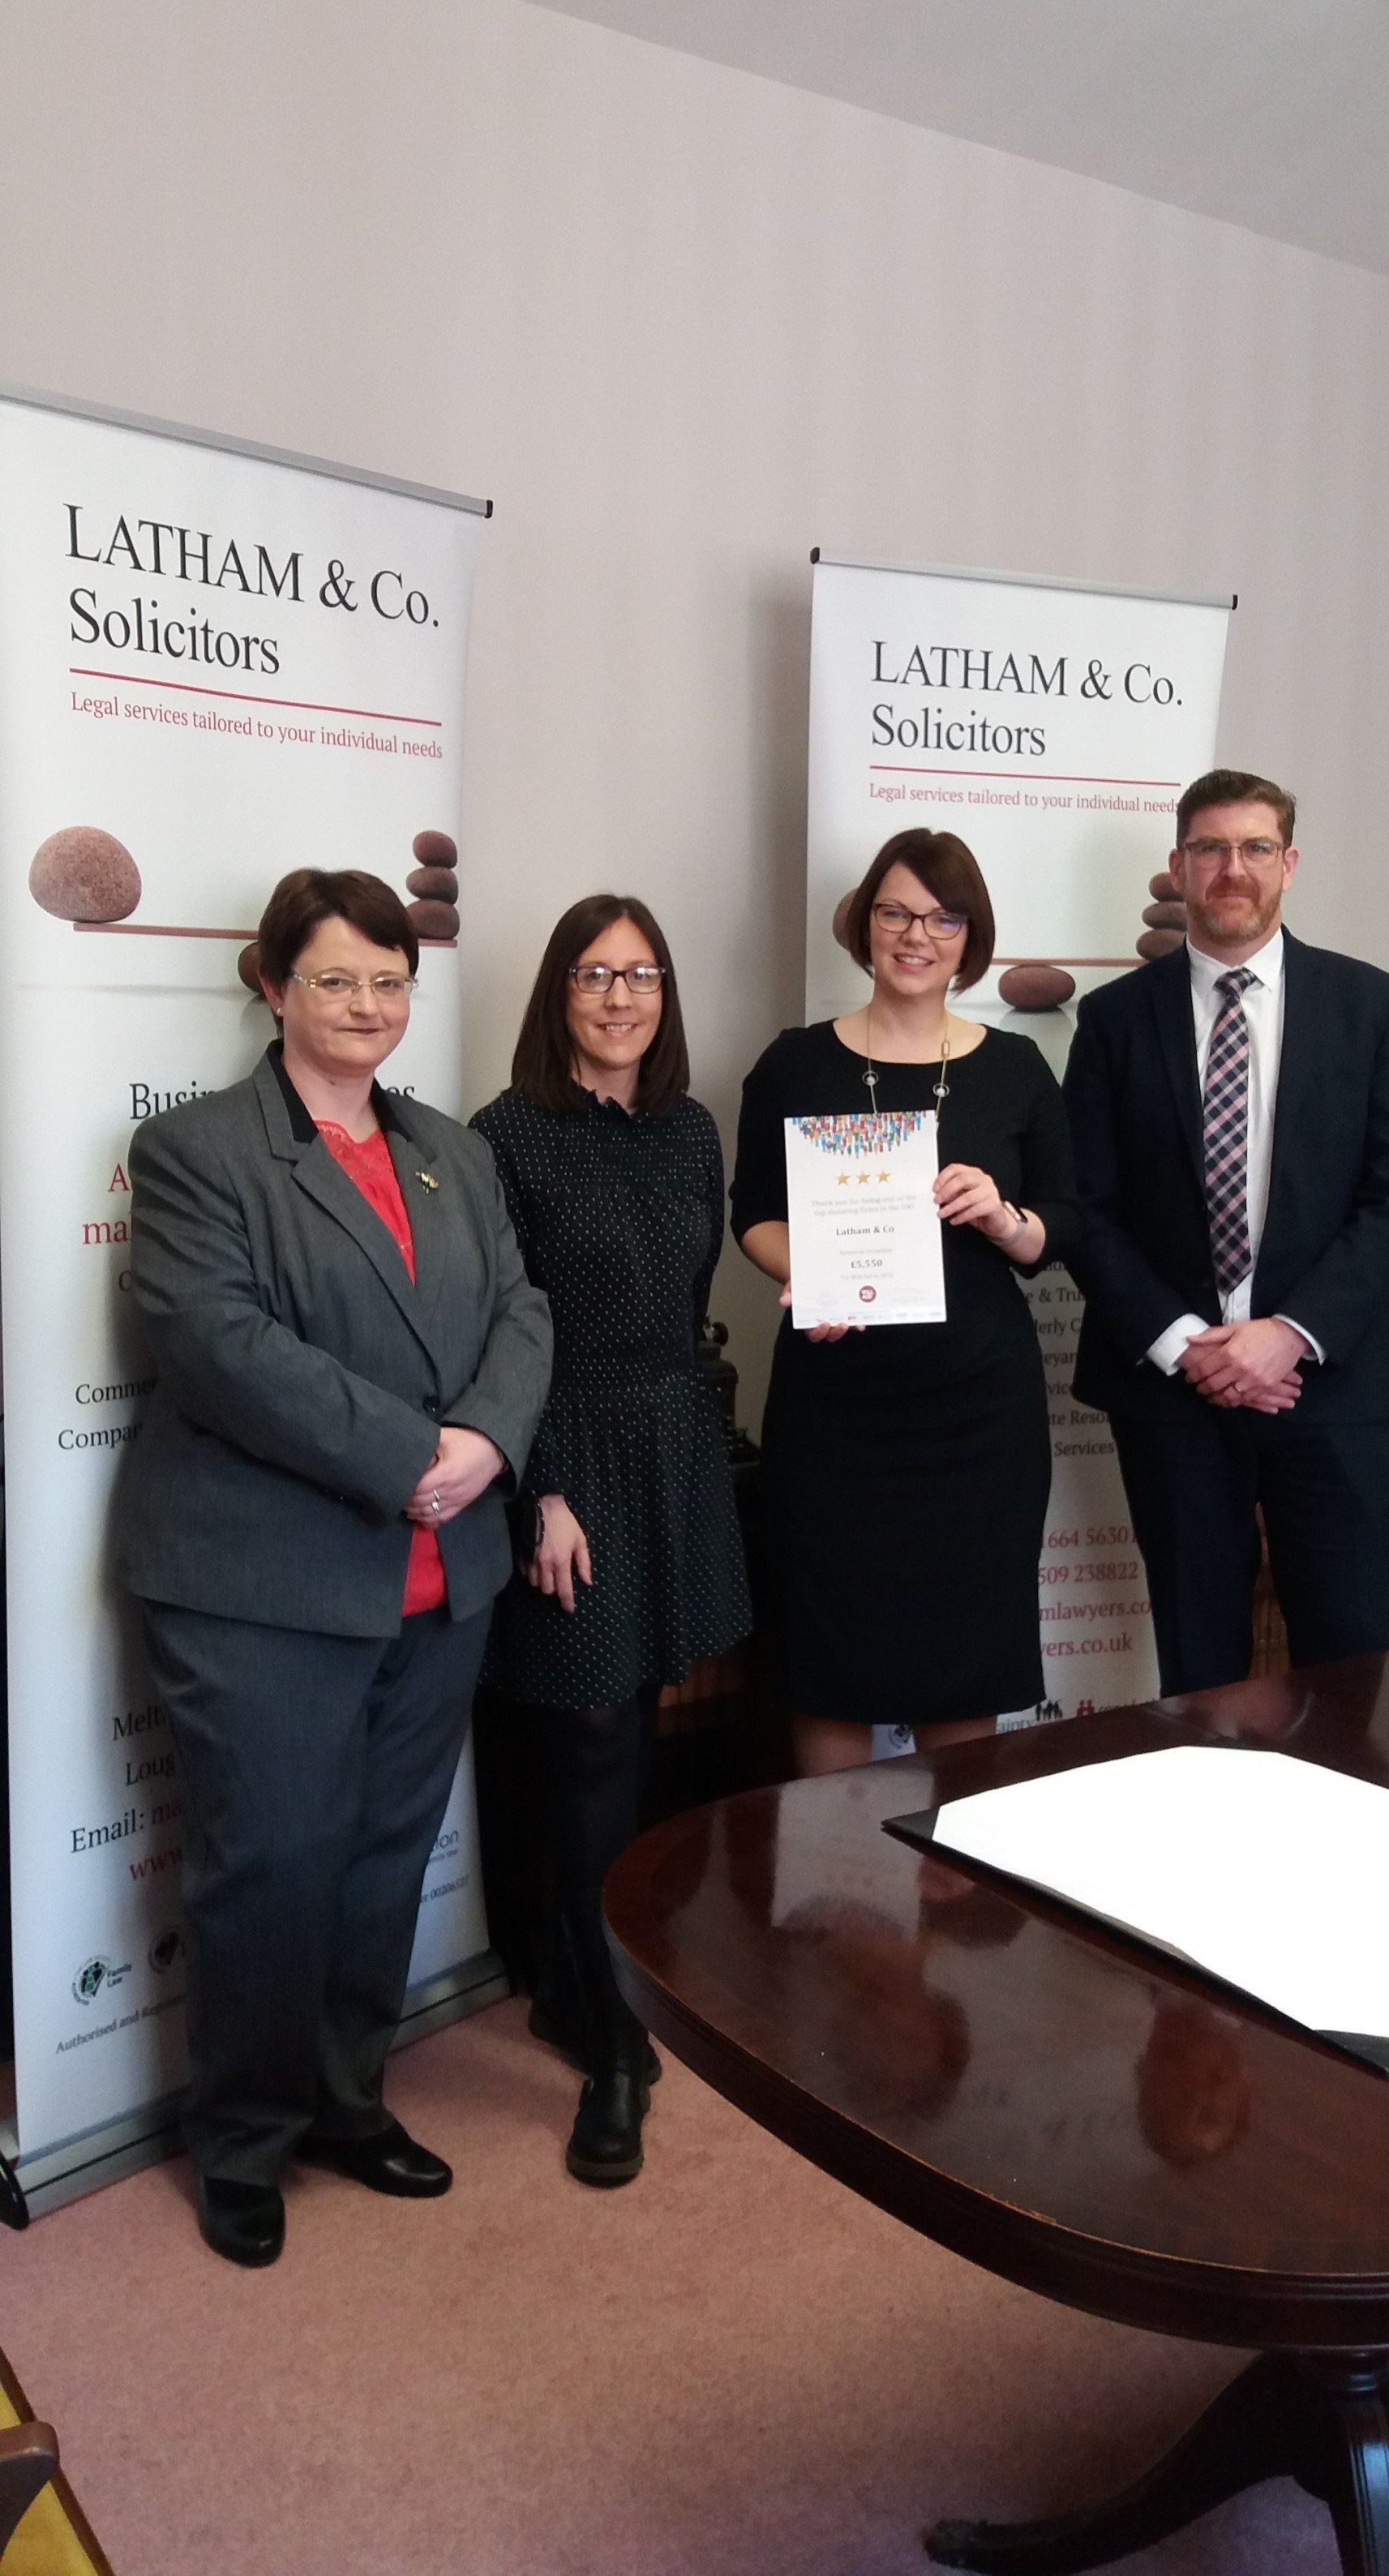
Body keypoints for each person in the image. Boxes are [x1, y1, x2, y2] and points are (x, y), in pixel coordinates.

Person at [117, 868, 552, 2267]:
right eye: (336, 979)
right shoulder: (200, 1151)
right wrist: (414, 1453)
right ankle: (240, 2137)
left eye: (388, 980)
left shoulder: (454, 1148)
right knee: (269, 1869)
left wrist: (484, 1440)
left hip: (440, 1579)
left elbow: (522, 1307)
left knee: (378, 1864)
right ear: (273, 984)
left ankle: (347, 2101)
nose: (367, 1006)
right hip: (264, 1582)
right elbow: (216, 1342)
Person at [470, 895, 750, 2187]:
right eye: (595, 974)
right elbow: (493, 1335)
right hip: (565, 1457)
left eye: (642, 973)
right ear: (559, 993)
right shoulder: (506, 1135)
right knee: (579, 1737)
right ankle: (609, 2044)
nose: (621, 996)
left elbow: (693, 1304)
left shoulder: (691, 1130)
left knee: (633, 1732)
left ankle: (582, 1983)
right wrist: (541, 1492)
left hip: (671, 1447)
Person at [1062, 769, 1389, 1695]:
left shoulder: (1372, 1007)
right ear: (1180, 866)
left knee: (1351, 1664)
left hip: (1327, 1389)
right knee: (1199, 1672)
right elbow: (1086, 1206)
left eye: (1256, 847)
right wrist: (1190, 1345)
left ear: (1290, 863)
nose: (1234, 869)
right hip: (1174, 1399)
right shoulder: (1111, 1021)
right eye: (1212, 849)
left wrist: (1286, 1335)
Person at [732, 828, 1078, 1775]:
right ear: (864, 924)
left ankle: (949, 1908)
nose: (916, 933)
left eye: (942, 916)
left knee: (964, 1662)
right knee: (831, 1657)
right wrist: (804, 1267)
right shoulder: (795, 1064)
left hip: (977, 1418)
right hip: (836, 1412)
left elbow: (1064, 1227)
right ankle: (835, 1900)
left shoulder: (1015, 1069)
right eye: (895, 911)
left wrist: (1006, 1220)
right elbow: (752, 1212)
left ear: (970, 936)